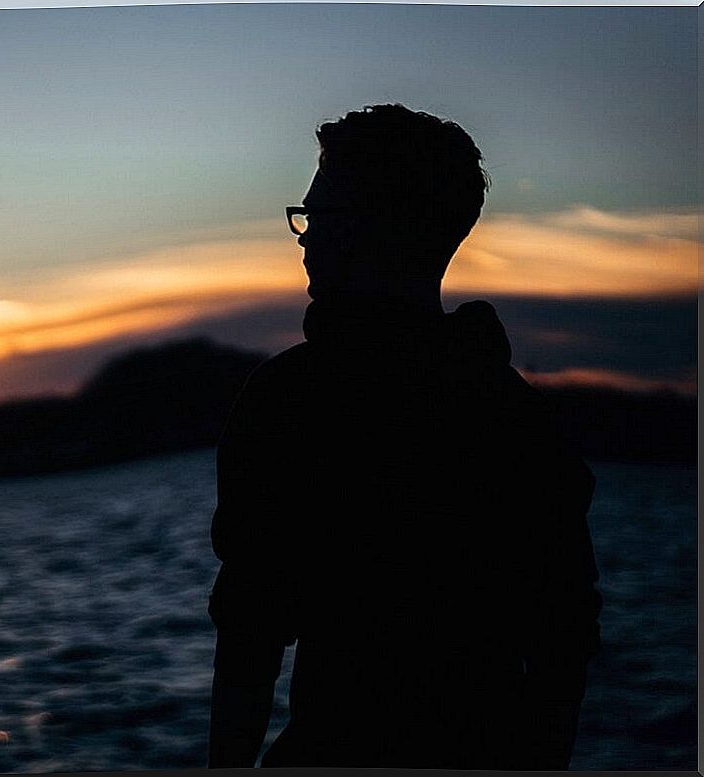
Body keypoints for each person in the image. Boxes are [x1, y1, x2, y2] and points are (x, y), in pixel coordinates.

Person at [206, 104, 602, 769]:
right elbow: (566, 636)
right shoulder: (516, 414)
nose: (303, 238)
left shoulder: (292, 399)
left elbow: (252, 631)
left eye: (318, 217)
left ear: (371, 229)